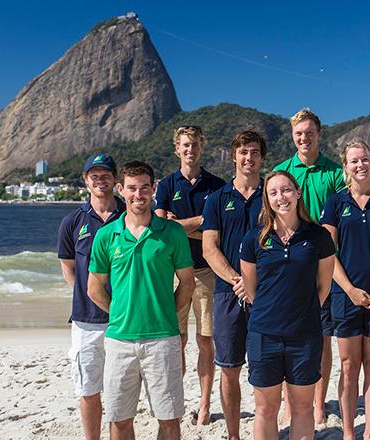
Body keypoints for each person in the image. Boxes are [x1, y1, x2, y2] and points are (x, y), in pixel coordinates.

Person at [88, 161, 195, 440]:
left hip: (163, 339)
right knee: (120, 420)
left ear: (154, 189)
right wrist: (117, 313)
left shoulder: (172, 233)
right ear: (120, 189)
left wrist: (169, 312)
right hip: (119, 341)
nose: (139, 195)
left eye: (145, 188)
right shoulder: (106, 235)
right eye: (132, 188)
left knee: (170, 420)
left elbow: (187, 282)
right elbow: (94, 287)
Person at [239, 170, 336, 439]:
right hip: (263, 335)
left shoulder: (318, 237)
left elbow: (323, 287)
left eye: (286, 190)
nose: (281, 197)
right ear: (267, 200)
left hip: (304, 335)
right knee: (265, 409)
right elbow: (251, 290)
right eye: (273, 192)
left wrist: (299, 312)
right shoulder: (254, 239)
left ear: (297, 193)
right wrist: (273, 313)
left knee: (302, 407)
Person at [320, 139, 370, 439]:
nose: (360, 165)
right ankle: (349, 432)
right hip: (345, 295)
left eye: (364, 159)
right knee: (350, 365)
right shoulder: (336, 203)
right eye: (354, 161)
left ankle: (369, 432)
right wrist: (350, 289)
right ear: (345, 167)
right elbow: (329, 254)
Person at [273, 108, 345, 424]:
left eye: (309, 133)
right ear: (293, 136)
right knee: (290, 337)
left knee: (322, 335)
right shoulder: (280, 172)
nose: (304, 138)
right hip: (289, 267)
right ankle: (292, 404)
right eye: (299, 133)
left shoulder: (334, 173)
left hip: (324, 262)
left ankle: (318, 402)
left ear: (319, 134)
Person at [155, 125, 225, 426]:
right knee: (177, 340)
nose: (190, 149)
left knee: (206, 341)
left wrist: (180, 225)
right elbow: (160, 231)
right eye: (185, 145)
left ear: (202, 146)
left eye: (195, 143)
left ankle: (206, 404)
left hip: (209, 272)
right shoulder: (167, 185)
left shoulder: (217, 186)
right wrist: (200, 226)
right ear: (177, 149)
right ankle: (176, 401)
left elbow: (217, 234)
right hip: (176, 273)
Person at [202, 130, 266, 440]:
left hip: (267, 294)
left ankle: (262, 431)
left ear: (261, 157)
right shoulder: (216, 199)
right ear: (234, 157)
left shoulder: (272, 195)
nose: (248, 158)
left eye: (254, 152)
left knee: (265, 369)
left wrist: (254, 283)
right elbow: (209, 247)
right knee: (229, 368)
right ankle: (233, 434)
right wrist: (237, 279)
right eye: (243, 152)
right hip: (227, 294)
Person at [57, 154, 126, 440]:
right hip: (86, 322)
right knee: (88, 390)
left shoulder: (130, 215)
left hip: (124, 319)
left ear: (115, 180)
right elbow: (69, 270)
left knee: (119, 392)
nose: (100, 179)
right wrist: (90, 297)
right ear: (86, 181)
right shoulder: (73, 221)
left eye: (105, 174)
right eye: (94, 175)